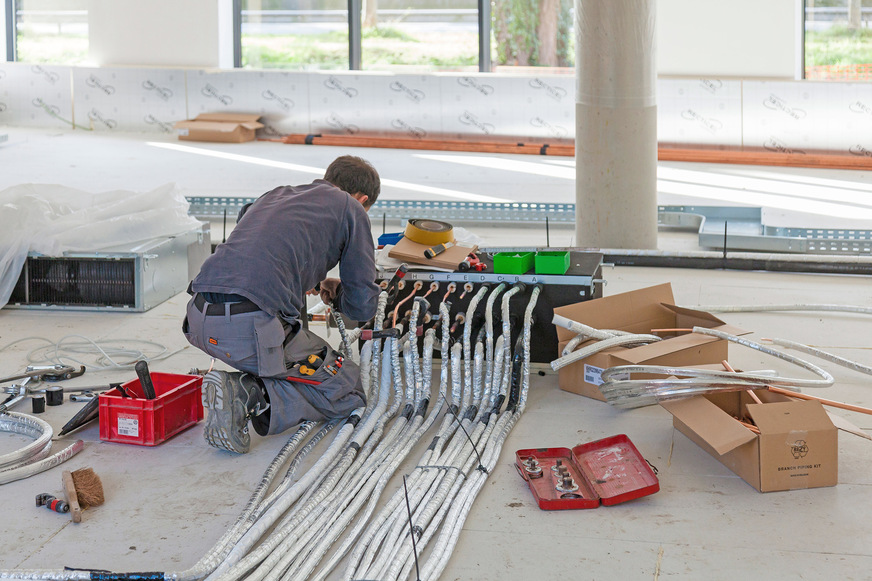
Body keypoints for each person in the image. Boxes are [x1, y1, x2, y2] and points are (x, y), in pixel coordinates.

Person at [182, 155, 381, 454]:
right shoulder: (351, 209)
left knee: (287, 355)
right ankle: (248, 392)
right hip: (249, 328)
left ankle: (254, 382)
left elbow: (260, 249)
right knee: (348, 389)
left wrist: (306, 277)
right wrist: (340, 294)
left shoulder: (274, 195)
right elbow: (362, 307)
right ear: (362, 199)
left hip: (199, 317)